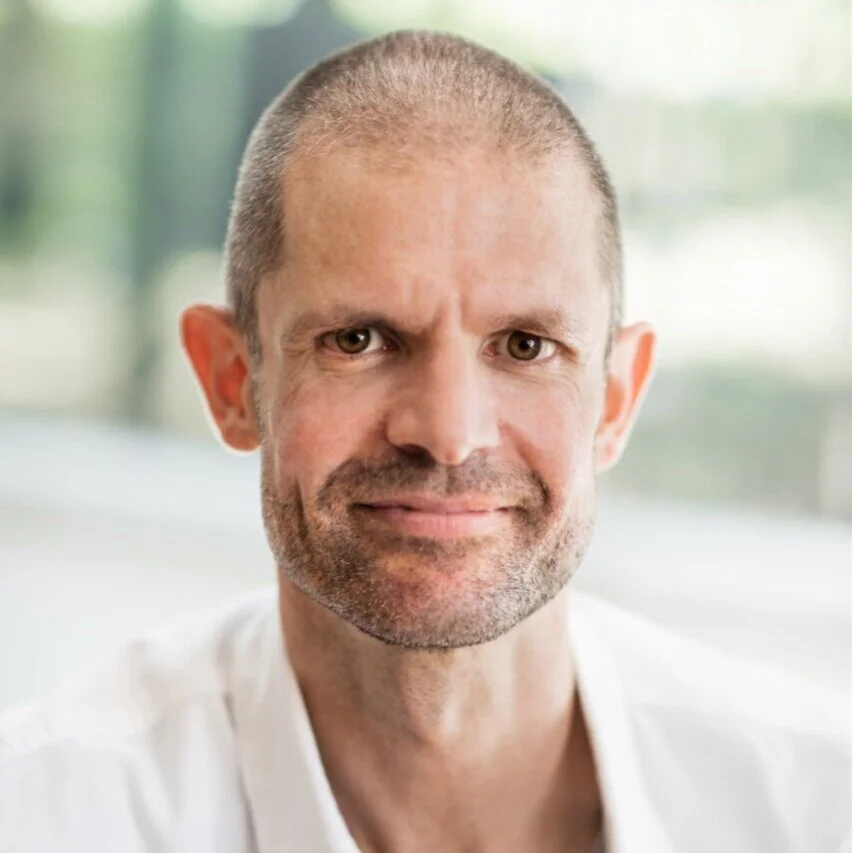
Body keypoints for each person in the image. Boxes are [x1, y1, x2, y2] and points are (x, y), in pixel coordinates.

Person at [0, 30, 848, 853]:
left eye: (525, 346)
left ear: (615, 399)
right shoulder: (41, 816)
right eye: (359, 340)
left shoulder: (819, 810)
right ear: (232, 380)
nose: (447, 434)